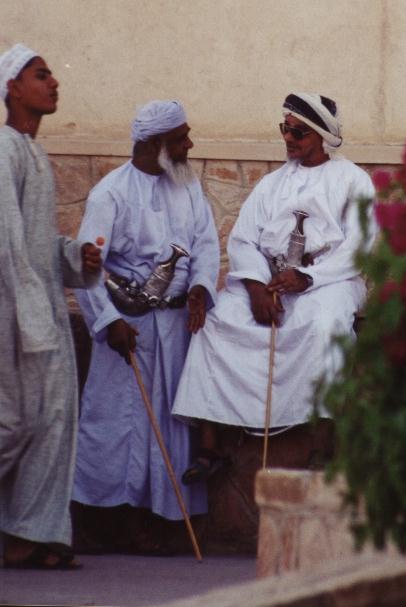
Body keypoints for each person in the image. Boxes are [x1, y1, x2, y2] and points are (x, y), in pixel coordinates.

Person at [173, 92, 376, 479]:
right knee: (216, 322)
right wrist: (255, 289)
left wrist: (309, 277)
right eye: (285, 128)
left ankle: (322, 447)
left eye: (298, 132)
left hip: (329, 280)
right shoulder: (272, 184)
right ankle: (211, 450)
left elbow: (358, 247)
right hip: (271, 279)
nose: (288, 138)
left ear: (321, 135)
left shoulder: (354, 181)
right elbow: (243, 240)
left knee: (324, 327)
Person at [71, 100, 220, 554]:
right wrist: (110, 321)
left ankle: (158, 522)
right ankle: (102, 523)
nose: (189, 145)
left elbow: (205, 243)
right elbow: (86, 267)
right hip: (128, 329)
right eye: (181, 138)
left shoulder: (187, 185)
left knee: (167, 426)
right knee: (116, 425)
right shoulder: (110, 194)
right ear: (155, 143)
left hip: (175, 326)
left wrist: (200, 287)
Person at [0, 43, 102, 569]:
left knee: (53, 420)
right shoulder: (4, 150)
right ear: (13, 88)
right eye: (41, 75)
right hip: (13, 316)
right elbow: (6, 244)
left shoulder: (35, 153)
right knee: (14, 423)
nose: (54, 82)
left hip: (41, 312)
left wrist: (75, 256)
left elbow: (38, 243)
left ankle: (30, 535)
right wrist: (30, 316)